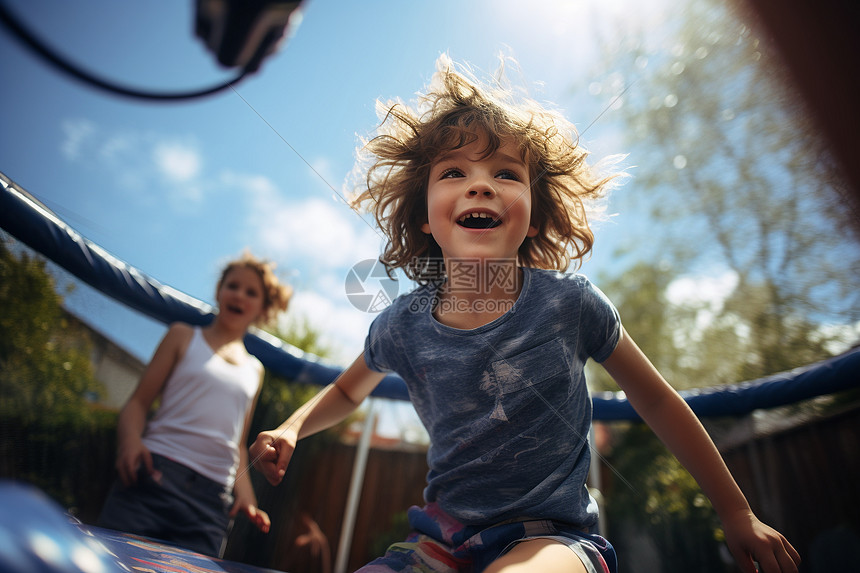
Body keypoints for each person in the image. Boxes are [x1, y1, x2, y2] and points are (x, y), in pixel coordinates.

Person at [250, 55, 801, 573]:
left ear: (534, 219)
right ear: (424, 215)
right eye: (454, 173)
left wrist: (736, 512)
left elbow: (655, 397)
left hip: (552, 538)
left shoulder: (569, 303)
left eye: (507, 174)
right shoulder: (403, 324)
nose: (481, 183)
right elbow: (348, 391)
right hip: (441, 539)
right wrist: (293, 426)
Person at [98, 252, 292, 557]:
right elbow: (138, 403)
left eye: (251, 292)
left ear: (262, 309)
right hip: (154, 477)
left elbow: (238, 445)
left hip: (210, 503)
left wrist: (246, 496)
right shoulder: (182, 336)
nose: (239, 295)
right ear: (219, 291)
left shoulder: (255, 370)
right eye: (233, 286)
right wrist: (130, 442)